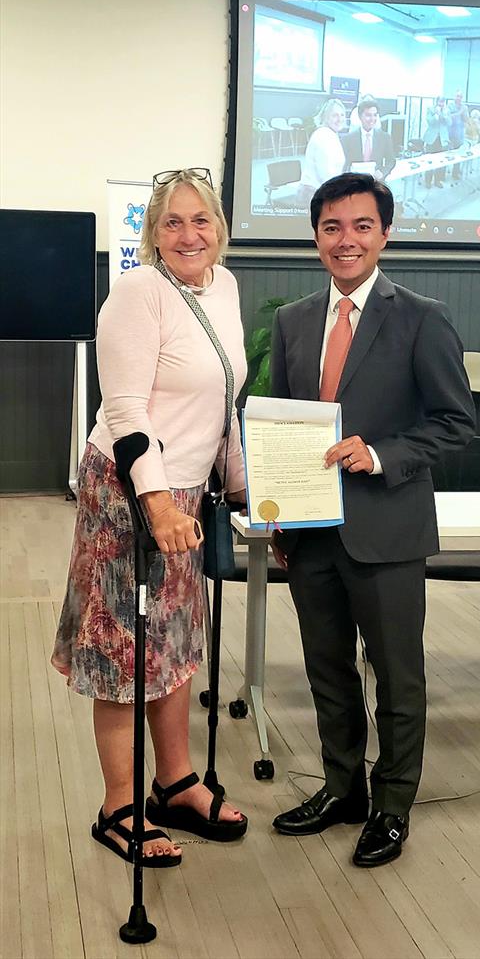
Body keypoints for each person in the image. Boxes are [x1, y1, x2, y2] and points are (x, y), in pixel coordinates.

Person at [269, 173, 475, 867]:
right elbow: (280, 423)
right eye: (332, 227)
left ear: (384, 233)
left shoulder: (421, 315)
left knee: (396, 673)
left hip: (387, 527)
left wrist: (382, 453)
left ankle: (391, 804)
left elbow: (454, 425)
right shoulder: (293, 320)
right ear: (316, 238)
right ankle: (342, 787)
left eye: (361, 225)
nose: (346, 239)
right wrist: (273, 513)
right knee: (327, 669)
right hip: (308, 530)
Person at [51, 168, 249, 867]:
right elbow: (127, 410)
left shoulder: (224, 287)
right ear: (153, 232)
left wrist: (242, 485)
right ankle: (118, 806)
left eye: (201, 220)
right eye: (173, 222)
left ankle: (175, 783)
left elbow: (223, 400)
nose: (189, 234)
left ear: (219, 227)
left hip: (187, 494)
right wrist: (159, 502)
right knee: (124, 650)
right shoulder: (135, 295)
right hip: (130, 492)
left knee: (174, 642)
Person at [298, 98, 347, 206]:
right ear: (325, 117)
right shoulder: (323, 136)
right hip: (315, 196)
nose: (340, 119)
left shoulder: (331, 134)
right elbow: (326, 174)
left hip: (323, 192)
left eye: (342, 115)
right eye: (335, 115)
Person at [340, 99, 396, 180]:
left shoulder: (385, 137)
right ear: (360, 116)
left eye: (375, 115)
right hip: (354, 183)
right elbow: (344, 164)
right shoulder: (348, 139)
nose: (372, 119)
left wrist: (382, 172)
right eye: (368, 115)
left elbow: (391, 161)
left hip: (376, 183)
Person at [422, 96, 451, 188]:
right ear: (436, 102)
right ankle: (428, 181)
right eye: (440, 102)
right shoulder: (431, 109)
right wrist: (436, 115)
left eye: (443, 102)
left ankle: (437, 180)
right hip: (432, 139)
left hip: (442, 140)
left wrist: (442, 115)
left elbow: (449, 123)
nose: (441, 104)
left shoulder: (447, 110)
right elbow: (429, 122)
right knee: (430, 160)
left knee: (440, 161)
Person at [446, 89, 468, 183]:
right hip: (450, 133)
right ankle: (442, 175)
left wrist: (464, 113)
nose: (458, 98)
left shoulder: (464, 107)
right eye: (457, 96)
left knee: (459, 154)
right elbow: (448, 117)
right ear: (454, 97)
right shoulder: (449, 105)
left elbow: (466, 120)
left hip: (459, 133)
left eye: (460, 96)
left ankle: (455, 173)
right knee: (447, 154)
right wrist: (459, 112)